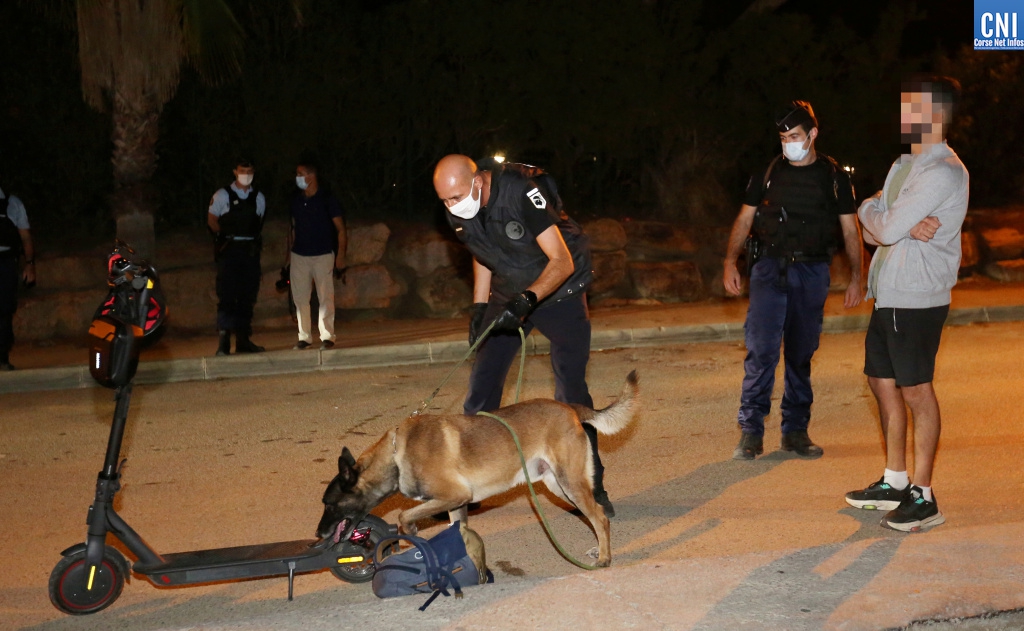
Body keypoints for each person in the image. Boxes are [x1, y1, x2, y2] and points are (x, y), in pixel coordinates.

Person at [432, 154, 615, 517]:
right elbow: (481, 252)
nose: (453, 206)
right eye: (446, 201)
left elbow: (561, 260)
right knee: (481, 389)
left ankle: (592, 487)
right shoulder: (457, 210)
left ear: (478, 181)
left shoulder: (519, 192)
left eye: (457, 197)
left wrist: (528, 299)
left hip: (558, 289)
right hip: (508, 292)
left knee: (572, 392)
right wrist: (479, 307)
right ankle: (469, 484)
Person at [845, 76, 968, 532]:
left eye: (911, 108)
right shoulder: (905, 165)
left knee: (916, 391)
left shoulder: (942, 171)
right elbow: (876, 221)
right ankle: (894, 481)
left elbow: (887, 228)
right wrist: (873, 213)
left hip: (917, 298)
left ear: (934, 115)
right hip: (889, 292)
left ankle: (924, 495)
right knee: (880, 381)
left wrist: (881, 219)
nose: (902, 116)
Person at [723, 101, 863, 461]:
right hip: (769, 269)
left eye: (795, 136)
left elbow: (851, 229)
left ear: (813, 134)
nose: (789, 143)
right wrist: (729, 261)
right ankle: (751, 432)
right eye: (783, 137)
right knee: (761, 352)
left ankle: (795, 432)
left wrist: (856, 277)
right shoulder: (768, 171)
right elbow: (744, 219)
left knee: (801, 354)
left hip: (812, 271)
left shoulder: (834, 177)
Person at [207, 159, 266, 355]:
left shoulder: (259, 197)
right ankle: (224, 342)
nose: (246, 174)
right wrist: (224, 237)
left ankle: (243, 340)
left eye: (249, 170)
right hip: (230, 251)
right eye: (242, 170)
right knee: (227, 295)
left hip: (249, 251)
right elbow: (212, 220)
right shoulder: (222, 195)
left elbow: (258, 223)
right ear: (235, 171)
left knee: (247, 296)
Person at [286, 159, 346, 350]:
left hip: (322, 254)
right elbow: (292, 229)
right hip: (299, 255)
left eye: (300, 173)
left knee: (325, 296)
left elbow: (341, 229)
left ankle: (327, 336)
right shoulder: (296, 200)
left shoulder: (327, 198)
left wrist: (340, 255)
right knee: (300, 297)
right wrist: (288, 258)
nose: (297, 178)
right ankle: (304, 337)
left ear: (311, 176)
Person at [0, 184, 34, 371]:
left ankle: (2, 356)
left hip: (6, 263)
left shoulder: (12, 203)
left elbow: (25, 237)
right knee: (4, 311)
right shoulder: (12, 202)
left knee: (5, 311)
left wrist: (30, 263)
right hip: (6, 264)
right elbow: (26, 238)